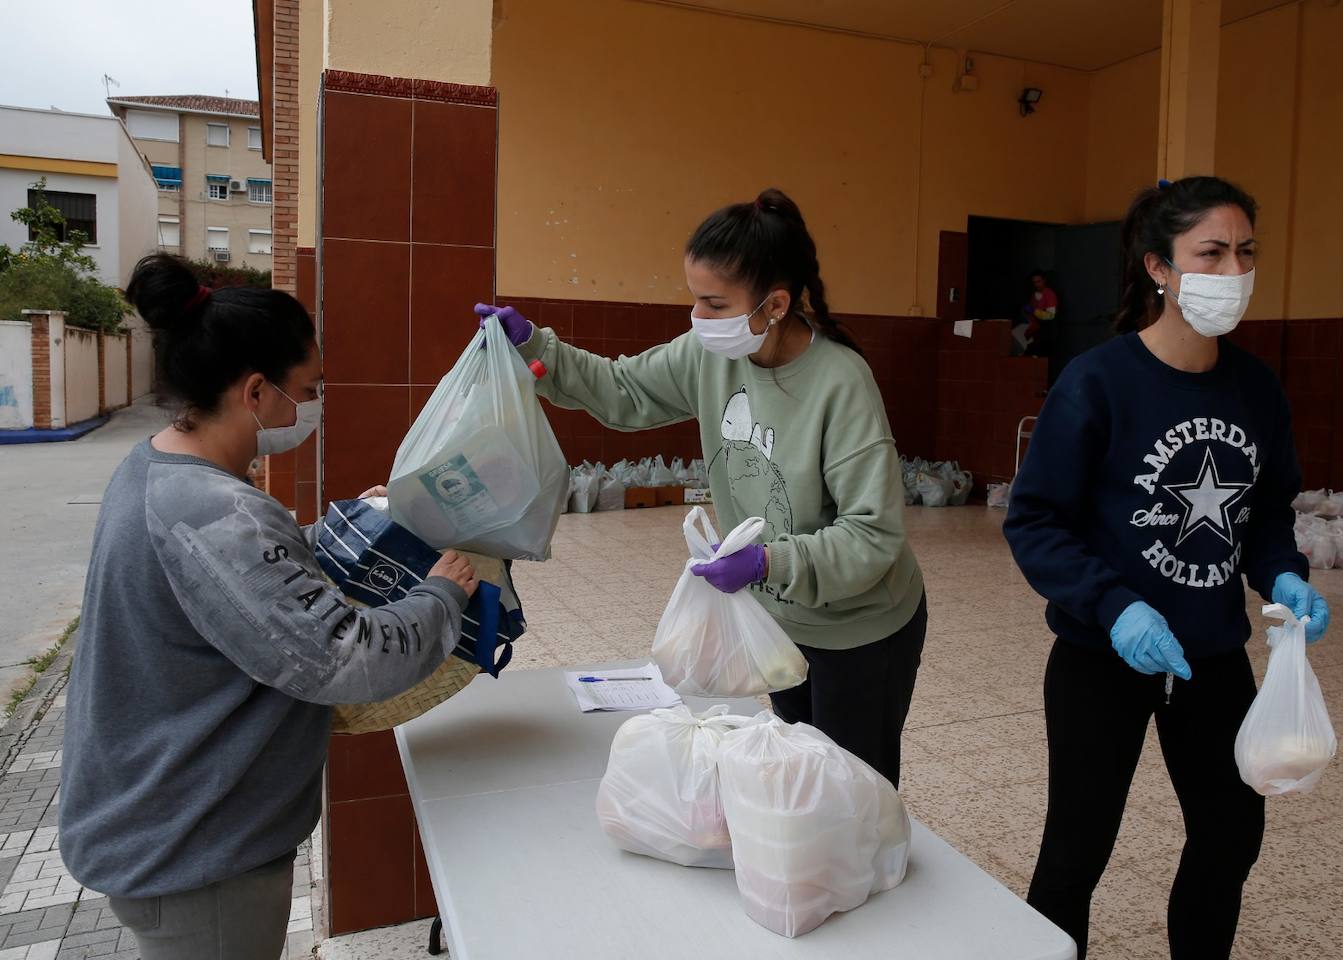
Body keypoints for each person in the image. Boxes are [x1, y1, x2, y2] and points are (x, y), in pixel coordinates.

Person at [60, 254, 479, 960]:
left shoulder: (159, 468)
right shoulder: (213, 511)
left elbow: (241, 576)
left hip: (166, 824)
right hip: (196, 853)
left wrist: (352, 525)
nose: (313, 405)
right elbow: (346, 658)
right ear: (255, 392)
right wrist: (444, 594)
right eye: (308, 389)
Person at [477, 188, 926, 787]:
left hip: (861, 628)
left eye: (714, 303)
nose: (698, 318)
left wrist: (768, 561)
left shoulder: (840, 383)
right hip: (780, 620)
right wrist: (535, 346)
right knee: (799, 775)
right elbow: (622, 389)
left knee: (853, 789)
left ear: (775, 305)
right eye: (694, 298)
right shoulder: (708, 355)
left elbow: (873, 535)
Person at [1003, 176, 1331, 959]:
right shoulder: (1098, 382)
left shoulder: (1255, 388)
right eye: (1210, 253)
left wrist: (1283, 573)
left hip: (1212, 657)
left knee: (1230, 836)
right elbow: (1035, 520)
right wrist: (1113, 605)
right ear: (1159, 266)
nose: (1233, 270)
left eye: (1245, 252)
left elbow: (1266, 513)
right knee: (1076, 851)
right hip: (1101, 656)